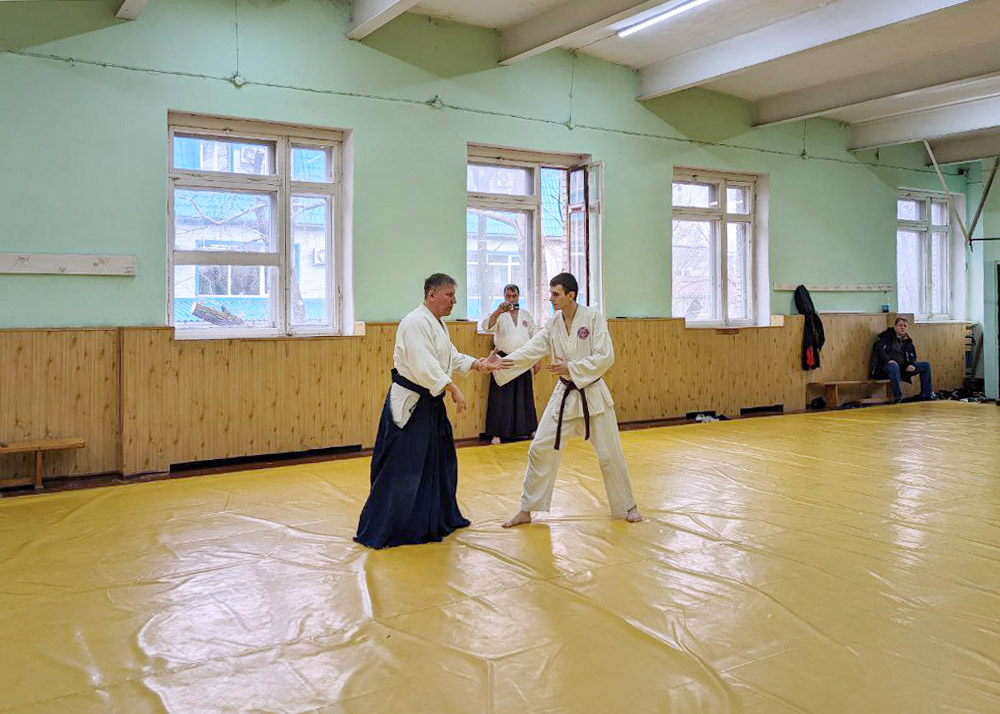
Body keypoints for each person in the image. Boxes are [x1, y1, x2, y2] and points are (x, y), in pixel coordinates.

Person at [355, 273, 508, 549]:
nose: (454, 301)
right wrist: (452, 388)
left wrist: (479, 364)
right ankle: (393, 527)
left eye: (454, 295)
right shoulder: (414, 322)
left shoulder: (437, 324)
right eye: (449, 295)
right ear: (431, 294)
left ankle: (434, 519)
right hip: (412, 404)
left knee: (440, 462)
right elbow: (424, 365)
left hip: (430, 404)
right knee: (404, 468)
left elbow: (450, 357)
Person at [498, 273, 641, 527]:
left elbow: (606, 356)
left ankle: (628, 505)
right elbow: (531, 350)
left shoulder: (593, 318)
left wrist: (571, 367)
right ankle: (526, 509)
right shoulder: (553, 323)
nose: (551, 298)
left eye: (555, 294)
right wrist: (500, 364)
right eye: (551, 293)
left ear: (570, 295)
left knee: (610, 454)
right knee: (539, 448)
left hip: (593, 395)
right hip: (564, 395)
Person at [481, 284, 539, 445]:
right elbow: (486, 327)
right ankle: (497, 433)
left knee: (524, 396)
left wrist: (536, 360)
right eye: (508, 296)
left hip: (523, 359)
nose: (511, 299)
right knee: (500, 399)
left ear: (519, 296)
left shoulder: (526, 315)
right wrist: (498, 311)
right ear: (504, 296)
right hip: (503, 359)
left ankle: (528, 429)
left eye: (514, 296)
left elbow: (535, 338)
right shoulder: (499, 314)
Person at [870, 316, 934, 403]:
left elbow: (913, 356)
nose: (902, 328)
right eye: (900, 325)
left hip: (902, 367)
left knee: (926, 365)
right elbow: (879, 350)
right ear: (895, 326)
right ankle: (898, 397)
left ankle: (926, 394)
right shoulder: (885, 336)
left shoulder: (908, 341)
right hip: (885, 367)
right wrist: (888, 360)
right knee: (893, 366)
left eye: (905, 326)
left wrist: (911, 364)